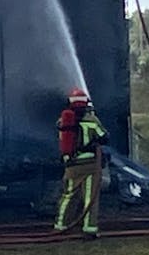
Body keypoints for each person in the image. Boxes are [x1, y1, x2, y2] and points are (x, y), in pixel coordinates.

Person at [54, 87, 108, 236]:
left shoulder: (64, 121)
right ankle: (89, 229)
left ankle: (60, 226)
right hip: (90, 164)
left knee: (68, 195)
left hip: (72, 164)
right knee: (90, 198)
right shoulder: (91, 120)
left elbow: (62, 139)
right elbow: (104, 137)